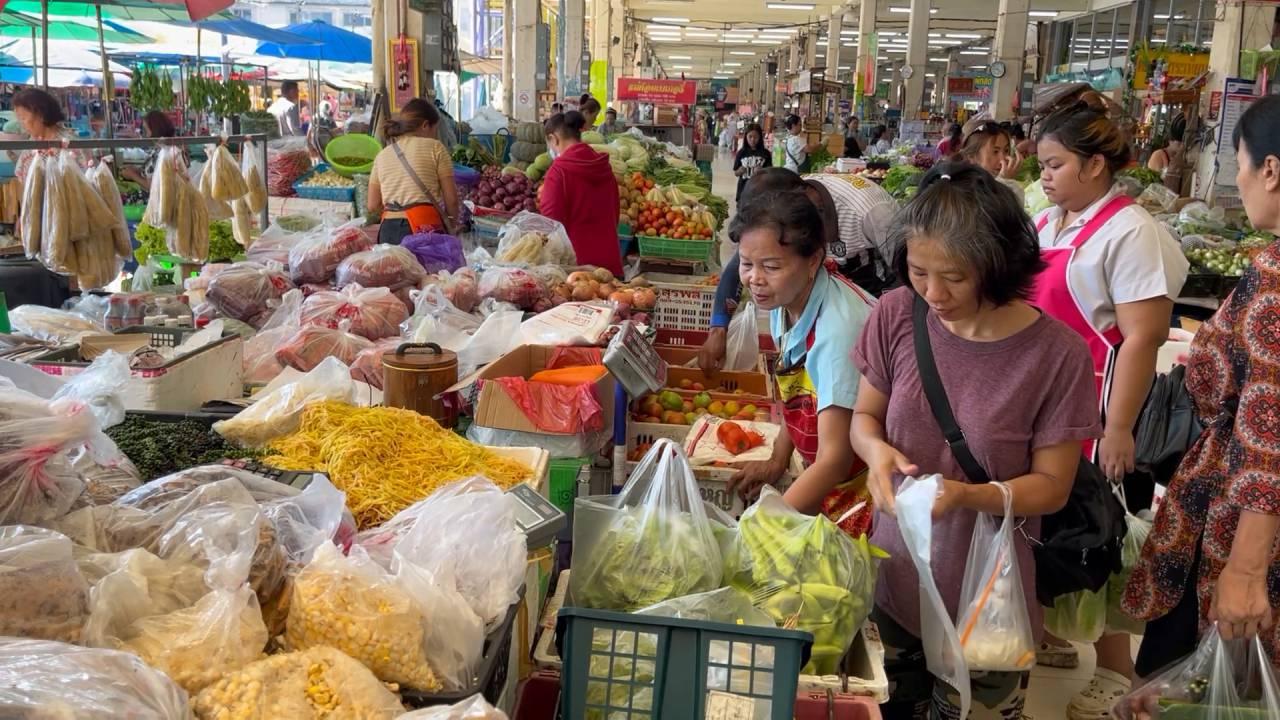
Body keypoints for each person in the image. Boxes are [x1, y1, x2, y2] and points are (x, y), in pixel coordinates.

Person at [853, 163, 1101, 719]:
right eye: (918, 271)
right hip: (895, 580)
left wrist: (969, 496)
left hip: (990, 603)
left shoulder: (1056, 355)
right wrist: (874, 451)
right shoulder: (896, 314)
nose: (933, 293)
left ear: (998, 265)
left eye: (955, 277)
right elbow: (865, 418)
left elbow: (1052, 486)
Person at [1030, 92, 1189, 719]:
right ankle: (1050, 633)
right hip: (1044, 397)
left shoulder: (1132, 232)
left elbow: (1142, 337)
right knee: (1045, 523)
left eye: (1055, 164)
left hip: (1099, 401)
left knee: (1100, 531)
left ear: (1095, 164)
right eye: (1042, 165)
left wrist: (1118, 427)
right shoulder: (1048, 224)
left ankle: (1117, 668)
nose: (1045, 176)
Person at [1123, 93, 1280, 690]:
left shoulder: (1275, 281)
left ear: (1271, 169)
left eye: (1240, 165)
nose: (1239, 181)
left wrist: (1245, 569)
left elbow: (1267, 431)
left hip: (1244, 524)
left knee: (1189, 688)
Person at [725, 187, 875, 530]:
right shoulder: (785, 302)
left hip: (866, 485)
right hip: (830, 475)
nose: (755, 279)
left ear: (813, 260)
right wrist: (778, 458)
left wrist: (763, 525)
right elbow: (797, 390)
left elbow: (836, 460)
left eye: (771, 266)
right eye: (747, 264)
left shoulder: (837, 330)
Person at [701, 167, 898, 365]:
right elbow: (745, 261)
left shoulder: (872, 212)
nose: (757, 277)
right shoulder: (779, 211)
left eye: (771, 266)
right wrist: (719, 328)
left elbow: (906, 275)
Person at [538, 111, 623, 276]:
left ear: (554, 138)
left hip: (578, 270)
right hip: (610, 265)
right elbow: (615, 213)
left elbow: (550, 223)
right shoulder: (603, 166)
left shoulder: (559, 171)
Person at [367, 98, 460, 245]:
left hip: (388, 229)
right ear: (425, 125)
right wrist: (452, 225)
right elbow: (452, 200)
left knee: (392, 261)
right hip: (424, 227)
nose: (435, 135)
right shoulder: (435, 147)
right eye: (434, 130)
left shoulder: (382, 155)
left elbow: (372, 205)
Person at [12, 88, 79, 183]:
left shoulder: (68, 143)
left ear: (40, 115)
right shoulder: (33, 142)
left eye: (23, 118)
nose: (21, 123)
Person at [958, 118, 1025, 204]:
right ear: (971, 157)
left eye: (1006, 150)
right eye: (995, 152)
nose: (1003, 159)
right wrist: (1004, 182)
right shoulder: (964, 189)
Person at [121, 111, 178, 187]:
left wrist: (132, 175)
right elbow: (151, 172)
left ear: (155, 130)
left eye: (147, 130)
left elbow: (152, 186)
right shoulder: (162, 149)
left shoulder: (163, 152)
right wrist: (138, 170)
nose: (147, 135)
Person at [1147, 113, 1187, 195]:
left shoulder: (1181, 157)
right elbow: (1155, 181)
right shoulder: (1158, 155)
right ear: (1170, 141)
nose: (1182, 146)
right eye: (1179, 143)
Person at [732, 123, 771, 203]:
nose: (753, 140)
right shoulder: (741, 153)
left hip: (759, 191)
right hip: (743, 190)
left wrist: (762, 171)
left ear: (760, 137)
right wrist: (740, 171)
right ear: (746, 137)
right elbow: (736, 172)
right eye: (750, 136)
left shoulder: (766, 153)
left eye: (756, 137)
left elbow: (770, 172)